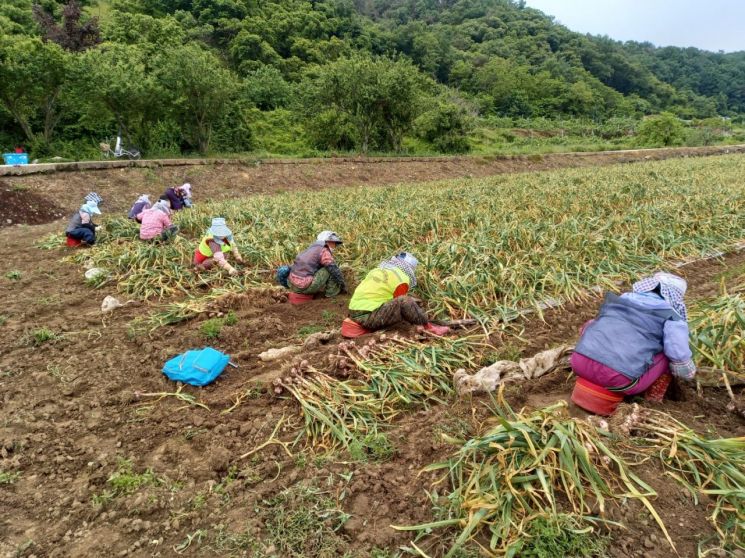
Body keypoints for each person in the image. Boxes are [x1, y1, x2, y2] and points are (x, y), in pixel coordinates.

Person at [570, 272, 696, 415]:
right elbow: (678, 353)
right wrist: (689, 372)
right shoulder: (671, 317)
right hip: (619, 380)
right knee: (669, 353)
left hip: (578, 363)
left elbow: (588, 327)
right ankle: (652, 402)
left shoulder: (620, 301)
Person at [345, 253, 449, 335]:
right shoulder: (402, 278)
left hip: (353, 311)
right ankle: (428, 326)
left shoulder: (377, 270)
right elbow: (400, 303)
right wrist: (417, 314)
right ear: (410, 268)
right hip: (368, 317)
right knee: (405, 301)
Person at [287, 231, 347, 298]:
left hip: (292, 284)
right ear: (326, 242)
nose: (334, 245)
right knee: (329, 269)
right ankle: (331, 294)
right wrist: (343, 286)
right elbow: (334, 270)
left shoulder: (310, 248)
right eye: (333, 242)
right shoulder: (324, 250)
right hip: (304, 287)